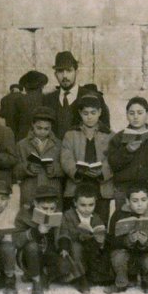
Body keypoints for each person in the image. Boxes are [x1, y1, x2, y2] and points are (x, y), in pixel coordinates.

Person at [61, 94, 114, 224]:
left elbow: (113, 159)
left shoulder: (109, 135)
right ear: (79, 113)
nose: (89, 117)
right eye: (85, 113)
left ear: (100, 112)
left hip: (100, 187)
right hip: (77, 185)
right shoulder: (71, 135)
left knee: (99, 223)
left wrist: (102, 172)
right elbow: (66, 158)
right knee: (74, 224)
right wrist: (77, 171)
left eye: (93, 113)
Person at [105, 185, 148, 294]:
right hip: (126, 252)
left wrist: (145, 242)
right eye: (135, 201)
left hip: (146, 253)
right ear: (127, 201)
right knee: (118, 257)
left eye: (143, 200)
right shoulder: (118, 214)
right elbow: (112, 241)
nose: (140, 204)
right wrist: (128, 240)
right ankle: (121, 282)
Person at [42, 51, 110, 139]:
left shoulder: (93, 97)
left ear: (76, 72)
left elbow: (105, 132)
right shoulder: (48, 99)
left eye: (69, 70)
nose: (64, 75)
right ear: (55, 74)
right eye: (60, 71)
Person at [107, 97, 148, 212]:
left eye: (140, 113)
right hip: (124, 190)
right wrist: (127, 151)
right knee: (123, 222)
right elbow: (113, 163)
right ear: (126, 115)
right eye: (131, 113)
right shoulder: (118, 138)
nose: (135, 117)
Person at [13, 185, 63, 294]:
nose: (49, 212)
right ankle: (36, 281)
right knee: (32, 247)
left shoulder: (58, 215)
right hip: (28, 256)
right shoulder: (24, 214)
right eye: (44, 208)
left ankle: (43, 274)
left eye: (52, 208)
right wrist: (36, 231)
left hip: (47, 255)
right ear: (35, 204)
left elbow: (61, 237)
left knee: (65, 265)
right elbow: (16, 241)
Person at [57, 183, 108, 294]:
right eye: (83, 205)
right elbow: (64, 232)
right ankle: (81, 278)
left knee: (98, 251)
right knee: (76, 247)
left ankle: (92, 275)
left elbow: (100, 232)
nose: (87, 209)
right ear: (75, 203)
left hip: (91, 246)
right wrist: (65, 246)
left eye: (91, 205)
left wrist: (100, 239)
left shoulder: (96, 217)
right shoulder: (68, 215)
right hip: (73, 247)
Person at [14, 106, 63, 209]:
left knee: (51, 220)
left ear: (51, 127)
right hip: (30, 190)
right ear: (33, 125)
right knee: (29, 220)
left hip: (51, 191)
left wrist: (54, 169)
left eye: (46, 129)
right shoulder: (22, 145)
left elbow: (65, 168)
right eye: (39, 128)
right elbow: (15, 170)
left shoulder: (59, 145)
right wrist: (27, 167)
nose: (42, 132)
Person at [15, 70, 49, 140]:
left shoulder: (19, 100)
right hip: (42, 137)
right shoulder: (46, 98)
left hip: (23, 137)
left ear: (26, 87)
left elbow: (15, 122)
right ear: (41, 86)